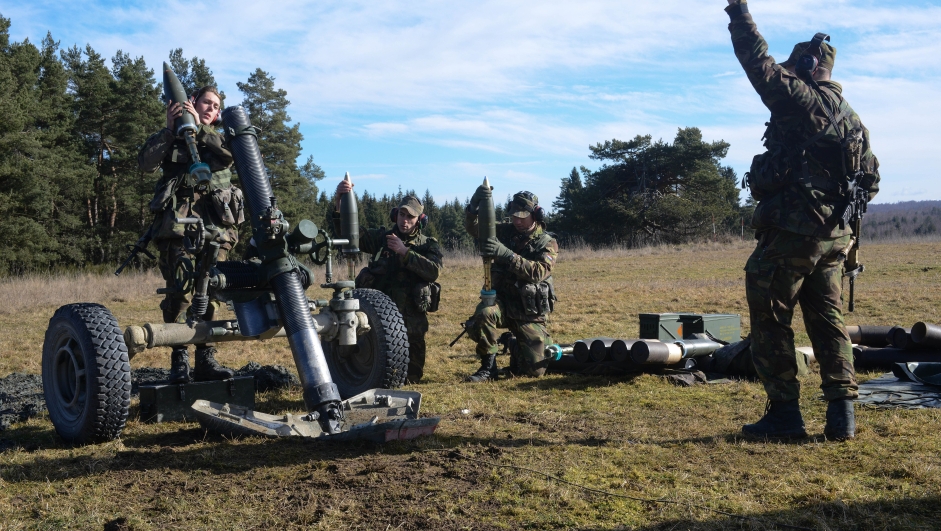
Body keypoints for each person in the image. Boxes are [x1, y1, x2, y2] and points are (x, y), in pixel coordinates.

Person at [725, 0, 880, 440]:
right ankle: (842, 416)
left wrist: (739, 13)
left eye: (796, 68)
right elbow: (872, 179)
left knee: (771, 318)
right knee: (827, 320)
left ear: (808, 66)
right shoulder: (853, 120)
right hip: (834, 239)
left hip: (794, 234)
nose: (790, 74)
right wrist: (840, 224)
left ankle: (784, 416)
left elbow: (759, 65)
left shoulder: (803, 101)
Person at [138, 86, 245, 384]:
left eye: (216, 106)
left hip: (217, 229)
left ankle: (206, 359)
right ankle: (179, 360)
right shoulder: (170, 136)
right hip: (178, 228)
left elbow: (229, 157)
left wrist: (199, 128)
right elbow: (145, 163)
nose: (211, 108)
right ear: (192, 104)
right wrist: (170, 130)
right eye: (205, 103)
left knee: (210, 292)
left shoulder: (223, 140)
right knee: (180, 293)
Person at [334, 181, 443, 384]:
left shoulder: (428, 245)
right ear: (396, 215)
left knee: (411, 379)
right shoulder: (382, 239)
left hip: (412, 321)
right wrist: (339, 203)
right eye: (402, 215)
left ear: (419, 219)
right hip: (380, 318)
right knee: (378, 365)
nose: (405, 221)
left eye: (410, 216)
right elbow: (350, 234)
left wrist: (404, 252)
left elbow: (433, 271)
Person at [463, 189, 559, 382]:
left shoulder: (548, 243)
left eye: (522, 216)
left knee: (534, 371)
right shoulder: (505, 231)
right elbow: (475, 229)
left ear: (536, 215)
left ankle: (513, 343)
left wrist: (507, 255)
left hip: (528, 311)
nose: (517, 221)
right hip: (502, 304)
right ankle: (488, 368)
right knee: (484, 314)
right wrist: (474, 206)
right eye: (514, 216)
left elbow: (539, 272)